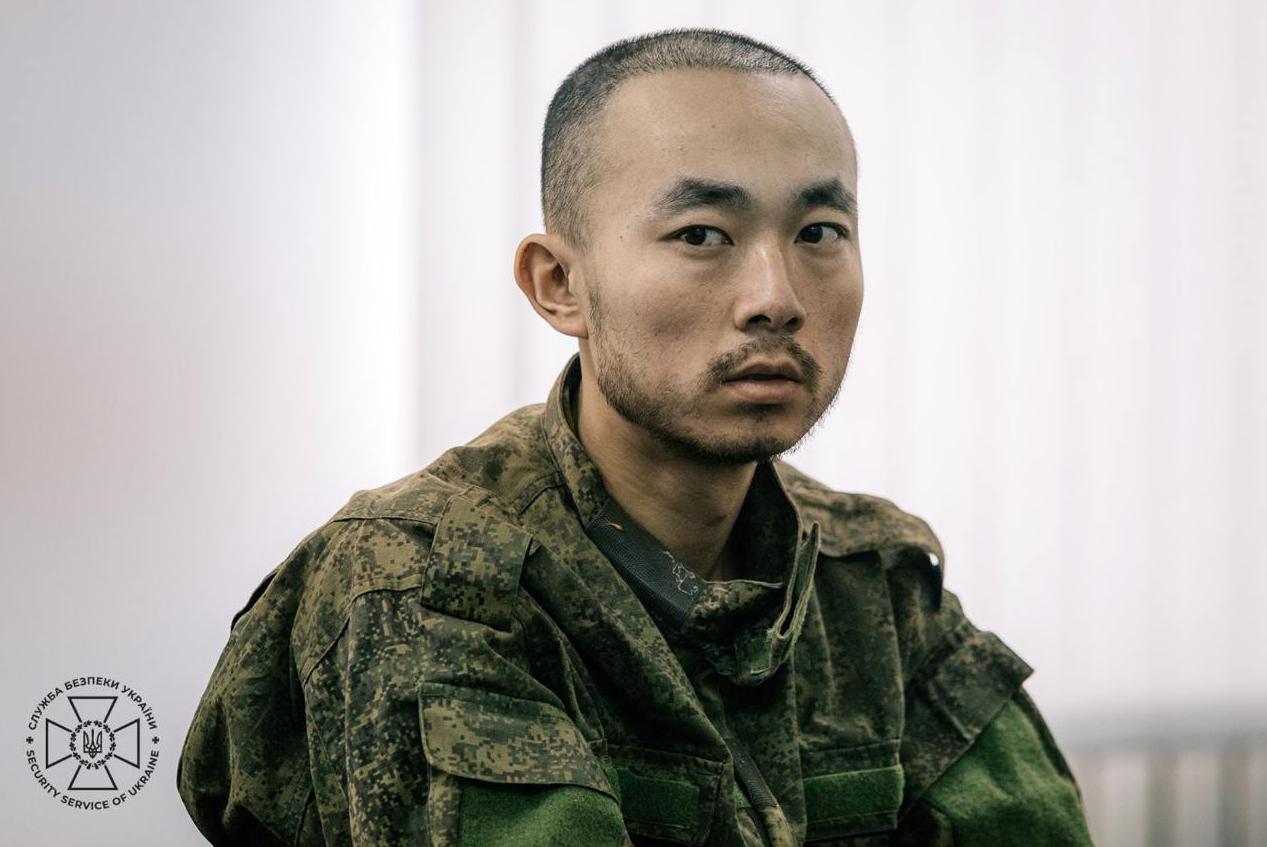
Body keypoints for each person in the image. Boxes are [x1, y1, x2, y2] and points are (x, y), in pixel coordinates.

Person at [178, 27, 1094, 846]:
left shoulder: (871, 578)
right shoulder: (428, 582)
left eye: (819, 231)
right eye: (701, 235)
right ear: (558, 285)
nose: (776, 298)